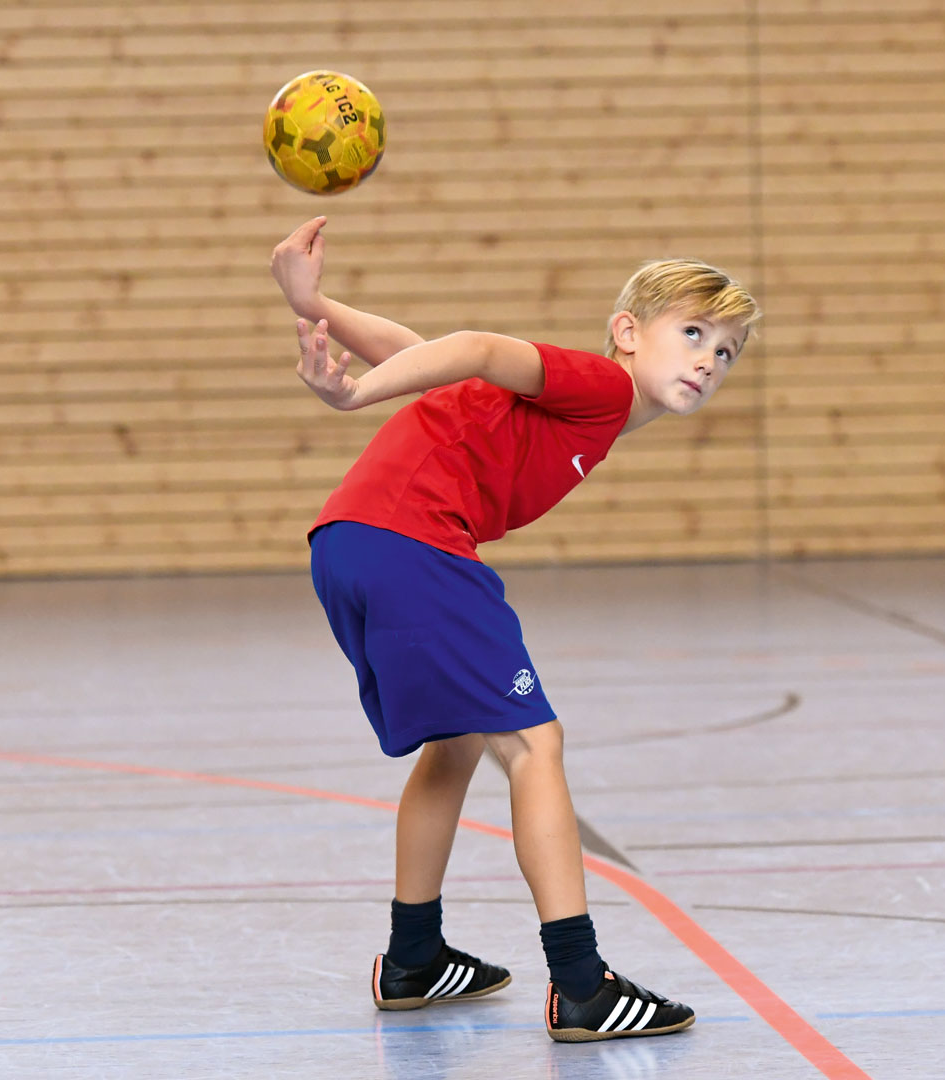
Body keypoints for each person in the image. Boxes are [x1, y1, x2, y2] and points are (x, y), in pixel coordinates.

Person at [271, 215, 760, 1042]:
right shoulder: (601, 386)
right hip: (411, 541)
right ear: (628, 332)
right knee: (535, 745)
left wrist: (318, 303)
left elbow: (426, 355)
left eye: (728, 351)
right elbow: (474, 345)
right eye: (694, 333)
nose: (711, 359)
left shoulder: (577, 415)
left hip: (349, 544)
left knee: (458, 742)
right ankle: (580, 983)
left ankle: (414, 957)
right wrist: (351, 393)